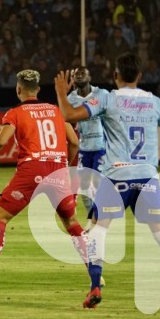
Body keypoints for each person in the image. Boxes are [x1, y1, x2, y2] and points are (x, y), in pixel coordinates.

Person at [54, 53, 160, 311]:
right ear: (140, 76)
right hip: (147, 177)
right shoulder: (155, 102)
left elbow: (70, 115)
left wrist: (62, 93)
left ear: (115, 75)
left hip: (116, 176)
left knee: (98, 228)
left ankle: (95, 285)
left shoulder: (107, 98)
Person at [0, 69, 87, 288]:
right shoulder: (56, 110)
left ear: (18, 89)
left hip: (31, 170)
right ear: (39, 89)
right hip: (57, 169)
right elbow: (74, 143)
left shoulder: (15, 113)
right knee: (71, 222)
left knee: (0, 218)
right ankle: (96, 272)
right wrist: (64, 167)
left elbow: (1, 141)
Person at [67, 67, 108, 216]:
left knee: (98, 185)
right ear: (72, 79)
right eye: (75, 73)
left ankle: (100, 219)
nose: (79, 75)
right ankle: (93, 218)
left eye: (82, 73)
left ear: (89, 77)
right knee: (84, 189)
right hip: (84, 149)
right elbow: (65, 122)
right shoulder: (70, 99)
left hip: (101, 148)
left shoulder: (102, 94)